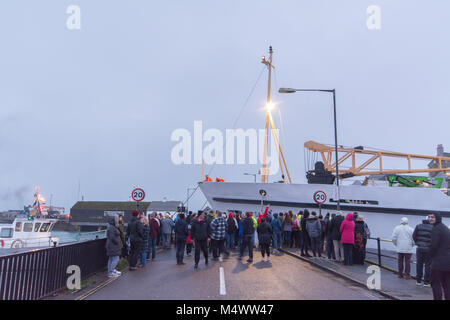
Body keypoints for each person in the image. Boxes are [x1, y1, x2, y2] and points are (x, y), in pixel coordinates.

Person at [428, 212, 450, 300]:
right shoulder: (445, 228)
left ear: (437, 218)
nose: (430, 219)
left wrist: (429, 257)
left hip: (438, 263)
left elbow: (433, 246)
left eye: (432, 217)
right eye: (429, 217)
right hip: (448, 263)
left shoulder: (436, 229)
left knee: (435, 284)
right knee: (447, 286)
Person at [412, 216, 433, 286]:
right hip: (428, 249)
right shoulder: (433, 227)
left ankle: (418, 281)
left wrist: (417, 243)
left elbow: (414, 236)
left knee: (419, 264)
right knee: (428, 265)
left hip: (419, 248)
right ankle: (426, 282)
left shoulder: (418, 226)